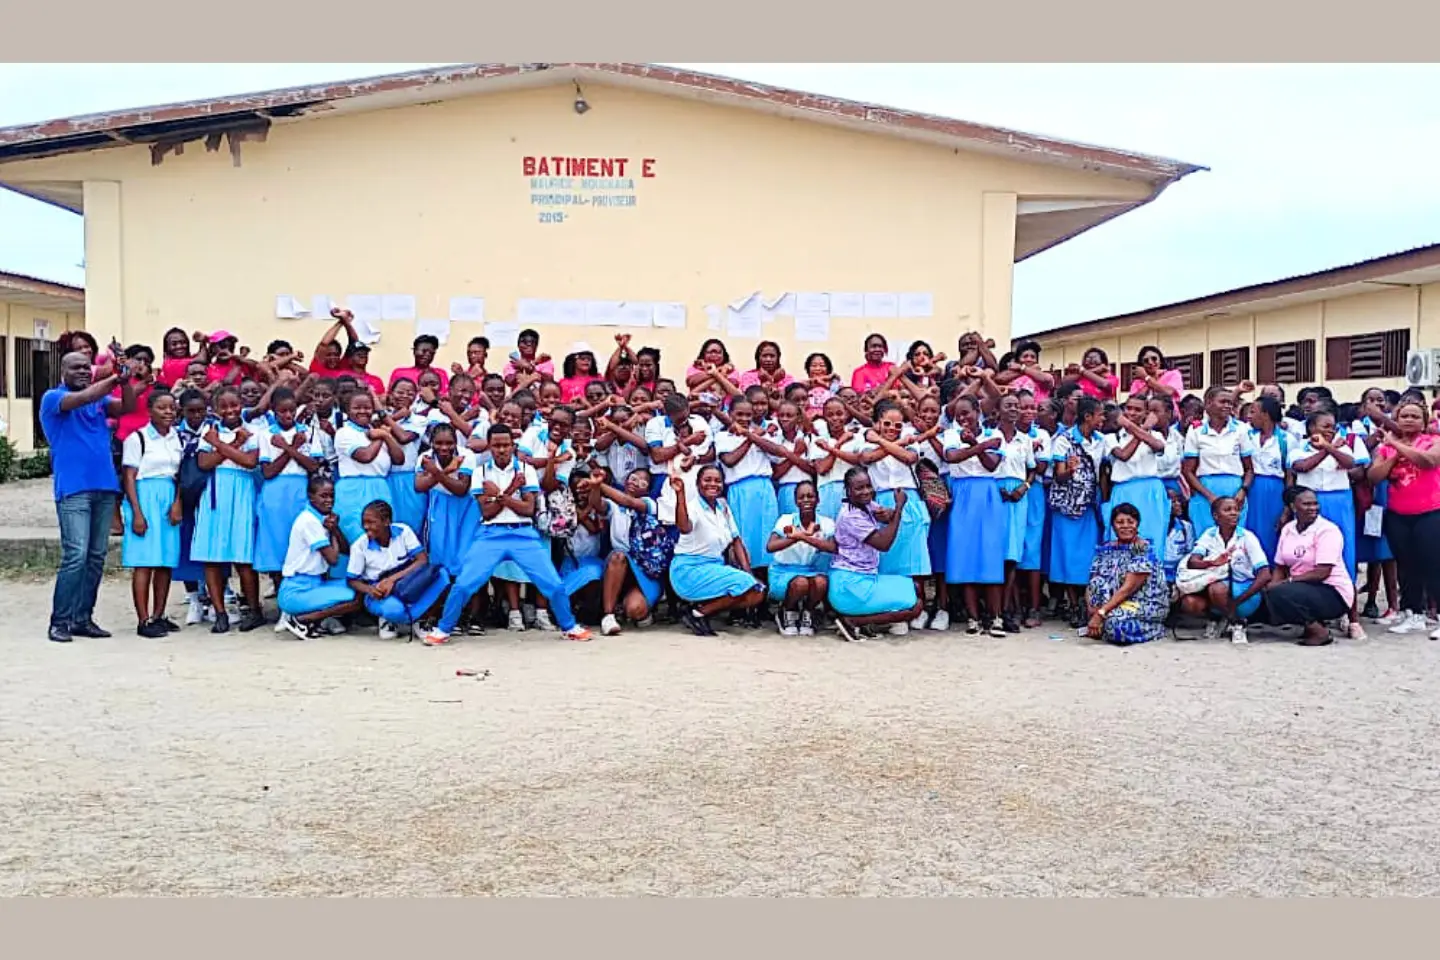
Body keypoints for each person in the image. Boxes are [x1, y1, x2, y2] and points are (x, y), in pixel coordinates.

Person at [420, 424, 592, 645]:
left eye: (506, 445)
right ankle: (443, 630)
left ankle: (570, 627)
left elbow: (528, 510)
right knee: (463, 584)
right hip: (490, 533)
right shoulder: (480, 472)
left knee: (554, 584)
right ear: (489, 447)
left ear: (513, 446)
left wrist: (500, 494)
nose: (501, 450)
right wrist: (512, 491)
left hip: (523, 533)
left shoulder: (526, 470)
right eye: (496, 445)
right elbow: (488, 512)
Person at [39, 351, 139, 642]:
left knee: (95, 557)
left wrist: (126, 380)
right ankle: (60, 621)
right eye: (76, 368)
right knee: (75, 555)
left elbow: (127, 406)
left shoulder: (100, 399)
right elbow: (82, 398)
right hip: (73, 489)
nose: (83, 371)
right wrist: (114, 377)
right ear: (63, 372)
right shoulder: (53, 398)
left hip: (105, 486)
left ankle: (83, 618)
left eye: (86, 367)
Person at [1289, 406, 1367, 640]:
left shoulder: (1343, 445)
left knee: (1344, 558)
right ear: (1311, 427)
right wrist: (1323, 450)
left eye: (1333, 426)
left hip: (1339, 502)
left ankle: (1352, 618)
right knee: (1310, 559)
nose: (1330, 430)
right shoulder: (1298, 447)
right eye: (1325, 426)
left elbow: (1351, 464)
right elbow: (1302, 467)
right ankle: (1314, 616)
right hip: (1309, 503)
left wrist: (1330, 447)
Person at [192, 385, 265, 633]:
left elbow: (249, 461)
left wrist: (220, 446)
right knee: (212, 557)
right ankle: (220, 612)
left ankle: (254, 609)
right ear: (215, 409)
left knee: (243, 556)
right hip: (214, 494)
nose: (230, 410)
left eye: (234, 404)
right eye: (224, 406)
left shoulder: (254, 431)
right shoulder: (208, 430)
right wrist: (235, 444)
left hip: (242, 493)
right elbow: (204, 463)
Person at [1367, 398, 1440, 638]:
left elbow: (1428, 461)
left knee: (1433, 563)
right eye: (1404, 416)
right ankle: (1413, 613)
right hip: (1398, 513)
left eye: (1415, 416)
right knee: (1406, 565)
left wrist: (1396, 446)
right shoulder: (1386, 448)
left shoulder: (1434, 441)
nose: (1409, 420)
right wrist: (1391, 454)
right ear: (1397, 420)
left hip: (1430, 511)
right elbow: (1374, 476)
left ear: (1424, 421)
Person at [828, 467, 924, 642]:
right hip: (850, 585)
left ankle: (864, 622)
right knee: (915, 607)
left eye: (868, 486)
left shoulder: (865, 504)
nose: (866, 492)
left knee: (916, 588)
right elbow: (883, 544)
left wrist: (890, 513)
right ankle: (853, 621)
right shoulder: (851, 516)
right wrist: (900, 507)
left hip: (864, 578)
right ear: (848, 491)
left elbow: (888, 518)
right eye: (859, 488)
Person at [668, 465, 766, 636]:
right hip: (689, 570)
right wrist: (680, 494)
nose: (713, 484)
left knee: (756, 592)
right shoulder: (693, 507)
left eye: (717, 481)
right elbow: (684, 527)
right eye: (707, 480)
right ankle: (697, 614)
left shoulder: (723, 507)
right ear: (698, 484)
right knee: (744, 585)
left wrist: (748, 572)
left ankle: (701, 610)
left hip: (714, 568)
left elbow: (736, 541)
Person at [119, 390, 184, 637]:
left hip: (168, 497)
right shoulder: (138, 439)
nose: (168, 412)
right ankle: (143, 619)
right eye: (161, 408)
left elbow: (179, 475)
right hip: (145, 497)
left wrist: (177, 502)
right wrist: (137, 512)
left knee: (165, 561)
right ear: (150, 410)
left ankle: (159, 614)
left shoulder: (176, 437)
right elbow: (129, 476)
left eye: (171, 407)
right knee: (144, 561)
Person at [943, 394, 1007, 637]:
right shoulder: (951, 435)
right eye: (958, 415)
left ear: (977, 411)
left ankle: (996, 617)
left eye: (966, 413)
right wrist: (979, 446)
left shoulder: (995, 434)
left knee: (990, 554)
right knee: (965, 555)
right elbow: (951, 457)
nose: (962, 419)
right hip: (962, 494)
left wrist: (974, 445)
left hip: (987, 494)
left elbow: (991, 465)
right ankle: (973, 618)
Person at [346, 500, 449, 640]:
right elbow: (352, 580)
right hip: (380, 590)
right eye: (364, 522)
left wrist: (392, 580)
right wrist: (372, 590)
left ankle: (414, 620)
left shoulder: (403, 531)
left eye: (372, 522)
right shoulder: (360, 546)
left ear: (386, 521)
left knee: (442, 576)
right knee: (394, 609)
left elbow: (422, 559)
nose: (366, 527)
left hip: (408, 581)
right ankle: (396, 619)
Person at [1262, 487, 1353, 646]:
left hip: (1332, 591)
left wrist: (1286, 582)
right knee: (1266, 594)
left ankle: (1319, 631)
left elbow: (1322, 573)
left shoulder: (1328, 530)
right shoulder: (1288, 529)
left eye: (1315, 504)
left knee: (1282, 592)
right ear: (1292, 507)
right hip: (1302, 588)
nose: (1313, 508)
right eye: (1306, 504)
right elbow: (1280, 566)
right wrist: (1272, 585)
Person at [275, 476, 363, 639]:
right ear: (311, 496)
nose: (329, 500)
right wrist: (332, 531)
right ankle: (301, 620)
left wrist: (335, 530)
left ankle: (313, 620)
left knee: (360, 587)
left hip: (315, 584)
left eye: (331, 496)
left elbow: (346, 550)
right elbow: (333, 560)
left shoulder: (320, 518)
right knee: (356, 597)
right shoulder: (309, 521)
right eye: (323, 496)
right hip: (297, 590)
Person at [1176, 496, 1273, 643]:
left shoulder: (1247, 537)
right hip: (1217, 590)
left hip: (1243, 591)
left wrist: (1239, 600)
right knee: (1190, 602)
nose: (1234, 513)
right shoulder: (1210, 534)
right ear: (1216, 516)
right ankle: (1218, 619)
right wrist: (1213, 562)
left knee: (1217, 588)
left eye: (1236, 509)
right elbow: (1193, 562)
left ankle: (1237, 623)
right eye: (1227, 510)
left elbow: (1265, 574)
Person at [584, 466, 665, 636]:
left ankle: (635, 608)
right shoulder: (613, 505)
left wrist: (600, 485)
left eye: (642, 482)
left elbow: (629, 502)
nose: (636, 483)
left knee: (635, 610)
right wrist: (595, 488)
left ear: (647, 489)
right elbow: (597, 504)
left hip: (644, 567)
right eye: (633, 478)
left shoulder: (650, 503)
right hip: (619, 562)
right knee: (618, 556)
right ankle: (609, 616)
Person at [253, 387, 323, 580]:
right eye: (283, 411)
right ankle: (279, 593)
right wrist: (291, 448)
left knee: (300, 539)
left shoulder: (308, 432)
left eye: (292, 410)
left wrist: (287, 447)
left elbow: (312, 466)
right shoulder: (266, 434)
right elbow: (268, 472)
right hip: (275, 492)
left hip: (300, 490)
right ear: (274, 411)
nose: (288, 415)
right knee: (276, 541)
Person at [1049, 395, 1106, 626]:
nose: (1103, 419)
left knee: (1088, 556)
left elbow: (1102, 471)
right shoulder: (1063, 440)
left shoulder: (1101, 440)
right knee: (1067, 556)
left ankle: (1086, 603)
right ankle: (1073, 605)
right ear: (1087, 416)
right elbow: (1058, 475)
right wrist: (1069, 471)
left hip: (1089, 504)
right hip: (1068, 506)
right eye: (1100, 414)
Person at [1081, 503, 1170, 646]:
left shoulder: (1143, 549)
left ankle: (1156, 629)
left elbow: (1128, 589)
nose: (1125, 526)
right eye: (1119, 522)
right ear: (1113, 526)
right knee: (1097, 585)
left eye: (1130, 522)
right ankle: (1100, 621)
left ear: (1137, 524)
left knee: (1115, 626)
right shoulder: (1105, 548)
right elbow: (1092, 581)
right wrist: (1092, 610)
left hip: (1140, 603)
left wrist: (1101, 613)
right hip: (1113, 603)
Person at [765, 480, 836, 636]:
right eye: (801, 497)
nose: (806, 500)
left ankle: (807, 613)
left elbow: (832, 548)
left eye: (810, 496)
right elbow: (770, 547)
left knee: (821, 582)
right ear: (795, 501)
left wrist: (804, 536)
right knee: (801, 583)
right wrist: (798, 537)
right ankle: (787, 611)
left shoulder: (826, 523)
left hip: (809, 570)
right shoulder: (786, 520)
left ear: (818, 499)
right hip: (783, 571)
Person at [332, 391, 403, 547]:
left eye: (367, 407)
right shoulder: (344, 433)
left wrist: (387, 437)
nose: (363, 411)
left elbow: (399, 459)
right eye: (357, 407)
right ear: (347, 411)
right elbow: (365, 456)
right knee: (354, 534)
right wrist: (381, 437)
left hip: (380, 487)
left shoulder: (377, 431)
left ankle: (379, 571)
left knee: (381, 534)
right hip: (352, 489)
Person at [1103, 393, 1171, 553]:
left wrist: (1140, 430)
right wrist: (1142, 429)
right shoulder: (1112, 437)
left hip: (1151, 491)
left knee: (1152, 537)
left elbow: (1158, 447)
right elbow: (1124, 455)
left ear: (1146, 414)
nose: (1132, 413)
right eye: (1128, 408)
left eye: (1138, 410)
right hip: (1124, 490)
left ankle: (1151, 575)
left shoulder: (1156, 435)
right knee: (1121, 537)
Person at [1181, 385, 1254, 532]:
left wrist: (1243, 490)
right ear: (1208, 403)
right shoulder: (1196, 430)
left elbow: (1249, 469)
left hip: (1234, 490)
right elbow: (1188, 471)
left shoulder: (1241, 429)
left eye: (1230, 403)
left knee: (1234, 539)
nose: (1227, 406)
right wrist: (1210, 497)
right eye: (1223, 402)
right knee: (1205, 537)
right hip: (1205, 490)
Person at [1244, 394, 1290, 563]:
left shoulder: (1285, 439)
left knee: (1272, 532)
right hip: (1252, 488)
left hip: (1275, 490)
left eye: (1253, 411)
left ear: (1265, 414)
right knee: (1250, 531)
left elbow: (1289, 476)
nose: (1249, 416)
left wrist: (1287, 508)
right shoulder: (1247, 435)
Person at [1125, 346, 1184, 411]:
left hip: (1167, 415)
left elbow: (1168, 392)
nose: (1150, 362)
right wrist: (1148, 379)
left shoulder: (1173, 374)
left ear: (1160, 361)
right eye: (1146, 360)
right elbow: (1134, 402)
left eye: (1154, 359)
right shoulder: (1137, 382)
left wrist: (1147, 378)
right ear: (1142, 365)